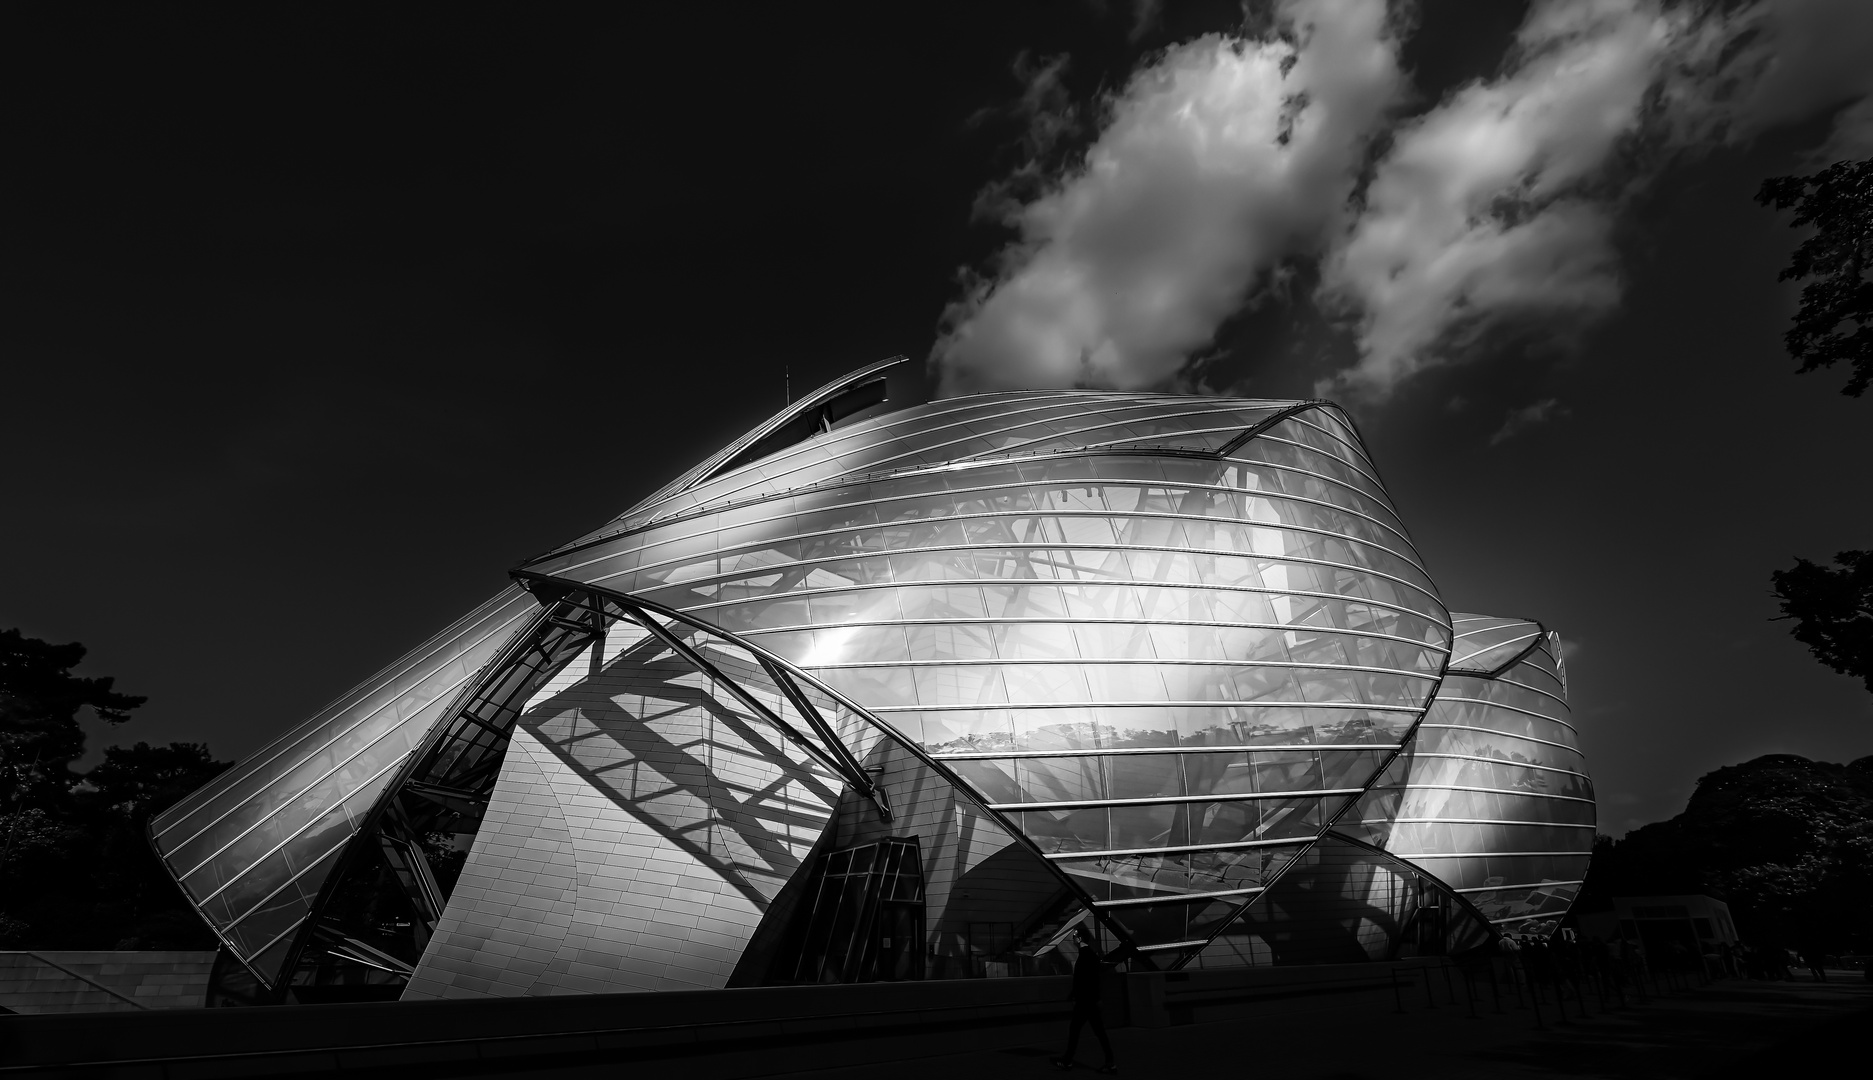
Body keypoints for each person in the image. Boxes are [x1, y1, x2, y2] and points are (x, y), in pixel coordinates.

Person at [1054, 926, 1118, 1074]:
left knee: (1076, 1030)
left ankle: (1068, 1060)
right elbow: (1092, 979)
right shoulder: (1090, 955)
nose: (1073, 938)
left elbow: (1085, 980)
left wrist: (1075, 994)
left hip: (1085, 1002)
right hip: (1090, 1001)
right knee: (1098, 1032)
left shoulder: (1085, 956)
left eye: (1075, 935)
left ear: (1080, 938)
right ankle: (1109, 1062)